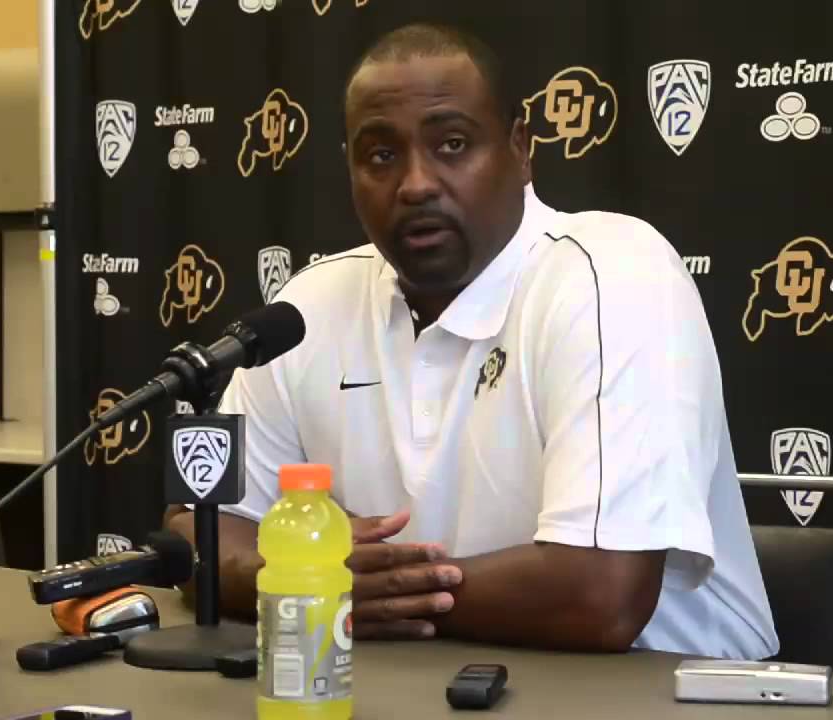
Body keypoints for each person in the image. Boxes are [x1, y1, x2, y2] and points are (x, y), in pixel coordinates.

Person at [166, 22, 777, 659]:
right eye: (380, 156)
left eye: (453, 144)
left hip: (662, 691)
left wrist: (327, 587)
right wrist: (300, 581)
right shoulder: (310, 307)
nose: (416, 184)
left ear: (520, 148)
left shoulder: (611, 275)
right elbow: (200, 531)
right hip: (417, 685)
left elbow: (601, 596)